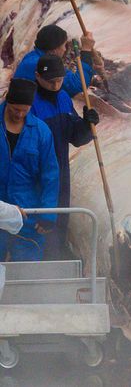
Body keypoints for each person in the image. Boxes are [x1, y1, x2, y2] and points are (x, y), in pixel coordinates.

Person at [32, 55, 99, 259]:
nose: (55, 86)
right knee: (39, 228)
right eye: (50, 81)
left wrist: (87, 125)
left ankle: (56, 268)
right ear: (37, 77)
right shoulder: (29, 103)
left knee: (60, 222)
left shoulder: (63, 98)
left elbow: (75, 137)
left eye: (59, 81)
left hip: (61, 172)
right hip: (36, 176)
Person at [0, 78, 60, 261]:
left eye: (24, 111)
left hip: (28, 212)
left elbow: (50, 175)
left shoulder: (41, 131)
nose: (19, 114)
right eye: (14, 109)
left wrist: (48, 214)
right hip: (0, 207)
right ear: (7, 101)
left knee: (28, 271)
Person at [14, 24, 97, 97]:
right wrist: (86, 50)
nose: (65, 49)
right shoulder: (40, 64)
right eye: (64, 45)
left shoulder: (33, 56)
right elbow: (77, 85)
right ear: (54, 50)